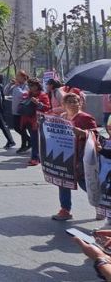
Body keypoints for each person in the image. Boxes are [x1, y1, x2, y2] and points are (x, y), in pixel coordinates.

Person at [51, 93, 97, 221]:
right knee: (63, 180)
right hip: (65, 156)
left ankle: (101, 205)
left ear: (80, 103)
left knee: (85, 182)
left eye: (75, 101)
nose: (73, 104)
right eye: (69, 101)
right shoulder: (62, 117)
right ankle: (65, 210)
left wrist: (82, 133)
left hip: (81, 155)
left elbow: (96, 135)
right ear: (63, 105)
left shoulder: (86, 118)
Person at [20, 78, 50, 166]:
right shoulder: (28, 94)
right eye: (29, 85)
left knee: (35, 140)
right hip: (28, 119)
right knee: (34, 140)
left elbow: (47, 107)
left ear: (37, 86)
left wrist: (38, 103)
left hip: (37, 121)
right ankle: (36, 157)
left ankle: (35, 158)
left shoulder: (43, 95)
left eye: (32, 85)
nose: (30, 87)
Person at [7, 70, 30, 153]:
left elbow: (23, 95)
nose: (16, 78)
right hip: (15, 110)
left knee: (21, 128)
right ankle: (29, 140)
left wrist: (17, 87)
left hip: (22, 110)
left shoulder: (26, 86)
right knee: (17, 127)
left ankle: (24, 145)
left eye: (18, 76)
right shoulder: (16, 85)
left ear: (23, 77)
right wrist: (10, 84)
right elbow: (6, 92)